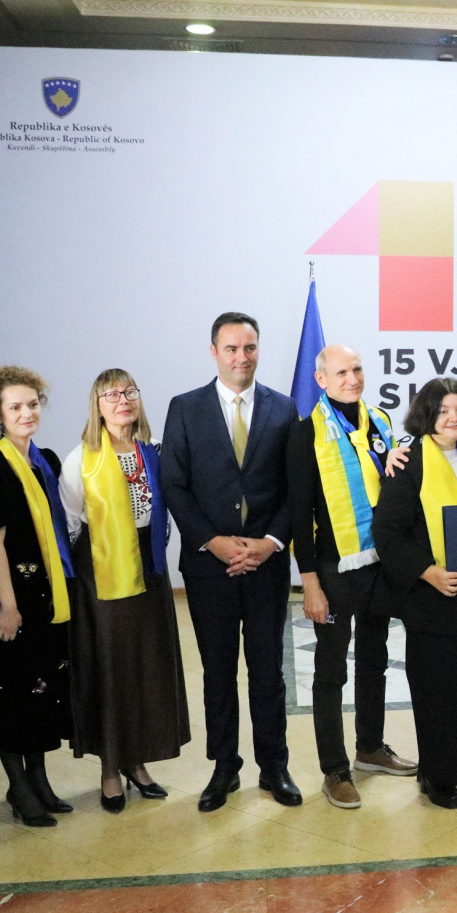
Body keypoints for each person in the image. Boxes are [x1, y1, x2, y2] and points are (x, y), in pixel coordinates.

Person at [162, 312, 301, 812]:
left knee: (268, 672)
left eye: (250, 347)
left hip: (266, 565)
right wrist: (213, 541)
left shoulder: (284, 408)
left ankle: (274, 766)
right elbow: (174, 484)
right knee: (218, 672)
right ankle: (225, 767)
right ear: (214, 352)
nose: (242, 357)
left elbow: (294, 487)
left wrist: (270, 541)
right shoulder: (185, 408)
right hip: (209, 567)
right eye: (232, 348)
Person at [288, 344, 417, 810]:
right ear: (321, 380)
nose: (352, 378)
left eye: (357, 369)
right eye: (341, 372)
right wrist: (310, 584)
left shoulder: (379, 422)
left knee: (374, 659)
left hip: (380, 563)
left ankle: (370, 748)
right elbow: (299, 514)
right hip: (333, 568)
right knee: (330, 671)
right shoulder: (305, 434)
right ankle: (335, 769)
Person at [61, 369, 191, 813]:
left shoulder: (153, 452)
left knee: (146, 668)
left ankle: (137, 762)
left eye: (129, 391)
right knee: (111, 669)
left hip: (149, 571)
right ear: (97, 405)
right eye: (112, 394)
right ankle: (110, 769)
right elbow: (70, 523)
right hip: (102, 574)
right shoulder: (80, 459)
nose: (123, 400)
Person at [371, 378, 457, 810]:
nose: (454, 417)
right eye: (444, 410)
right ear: (427, 414)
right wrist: (429, 573)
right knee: (436, 692)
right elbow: (387, 534)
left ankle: (455, 763)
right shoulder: (408, 462)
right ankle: (434, 775)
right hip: (431, 597)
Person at [0, 367, 74, 828]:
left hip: (48, 595)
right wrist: (8, 607)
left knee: (42, 691)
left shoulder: (45, 460)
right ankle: (18, 787)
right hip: (12, 598)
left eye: (32, 404)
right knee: (12, 695)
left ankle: (40, 779)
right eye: (15, 406)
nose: (27, 412)